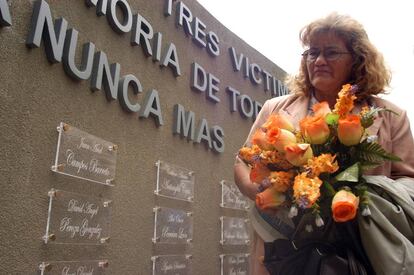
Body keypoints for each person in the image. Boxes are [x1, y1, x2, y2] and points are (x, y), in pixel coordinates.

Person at [234, 13, 414, 275]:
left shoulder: (389, 115)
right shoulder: (276, 107)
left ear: (357, 59)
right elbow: (243, 161)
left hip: (359, 249)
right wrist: (267, 195)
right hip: (281, 248)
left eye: (330, 52)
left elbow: (408, 180)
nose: (318, 61)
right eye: (312, 52)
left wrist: (360, 195)